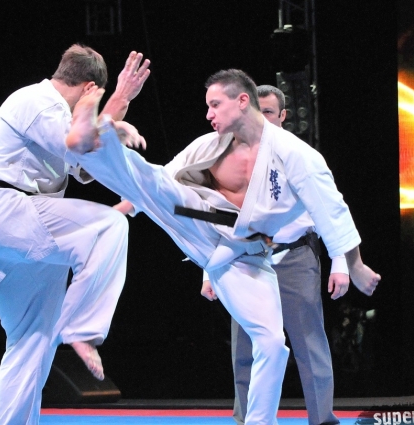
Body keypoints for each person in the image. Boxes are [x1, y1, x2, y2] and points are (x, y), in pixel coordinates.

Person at [65, 68, 380, 425]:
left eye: (215, 104)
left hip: (246, 256)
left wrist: (352, 263)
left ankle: (260, 422)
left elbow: (331, 209)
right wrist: (116, 213)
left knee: (272, 345)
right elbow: (162, 179)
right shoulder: (210, 144)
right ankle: (94, 141)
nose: (208, 114)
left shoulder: (295, 154)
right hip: (198, 218)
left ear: (242, 101)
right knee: (155, 183)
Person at [0, 44, 150, 424]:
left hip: (17, 226)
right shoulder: (38, 101)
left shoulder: (51, 110)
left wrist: (117, 110)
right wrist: (118, 108)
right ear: (89, 88)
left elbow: (86, 163)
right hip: (8, 211)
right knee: (110, 226)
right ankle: (82, 327)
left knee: (32, 340)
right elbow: (82, 147)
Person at [225, 84, 347, 425]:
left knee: (309, 343)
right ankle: (247, 420)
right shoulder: (233, 158)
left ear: (283, 115)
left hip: (295, 257)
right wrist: (209, 271)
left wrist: (340, 261)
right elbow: (220, 216)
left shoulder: (301, 156)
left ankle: (322, 419)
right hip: (247, 260)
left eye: (268, 111)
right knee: (244, 346)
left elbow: (330, 210)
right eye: (256, 111)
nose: (261, 118)